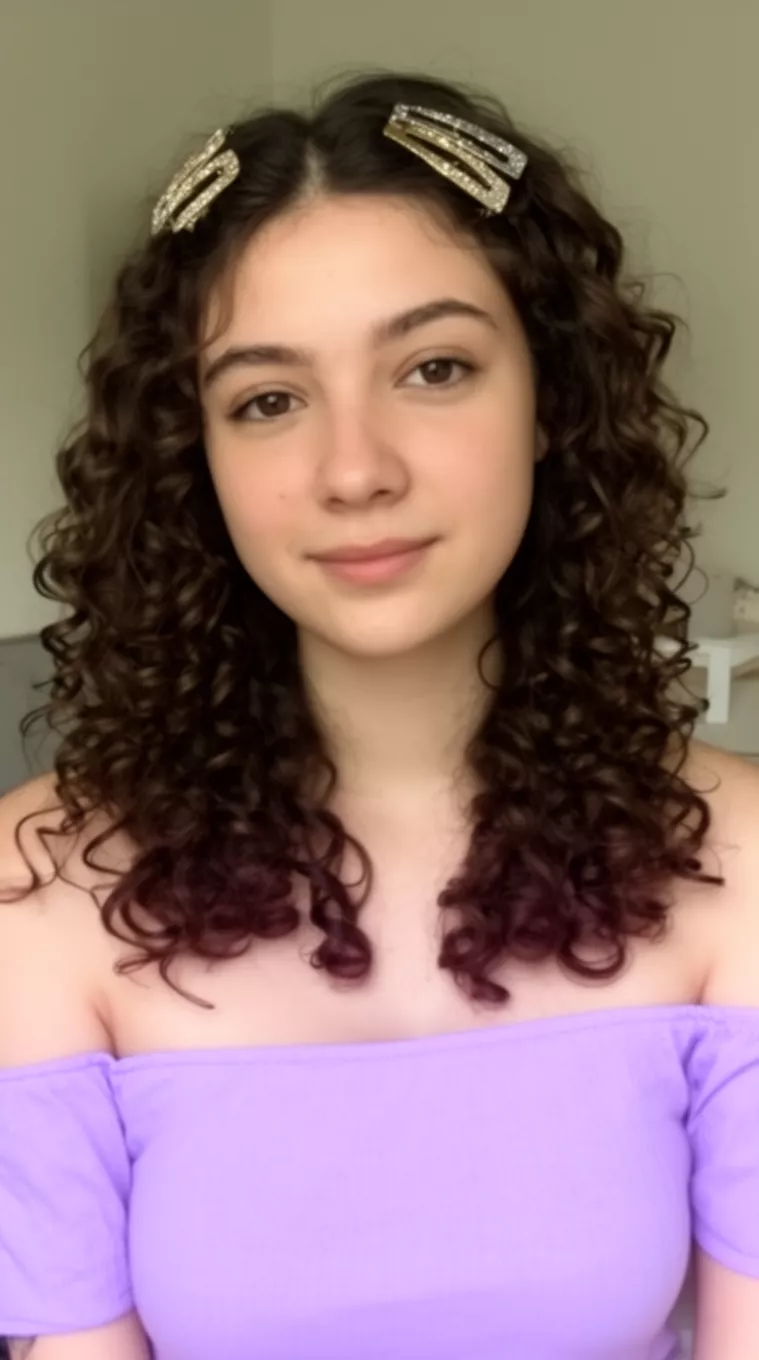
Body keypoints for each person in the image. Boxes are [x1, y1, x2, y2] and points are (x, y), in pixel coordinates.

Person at [0, 66, 757, 1360]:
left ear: (550, 407)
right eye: (268, 400)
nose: (353, 469)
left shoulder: (736, 865)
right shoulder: (40, 893)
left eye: (435, 367)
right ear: (196, 461)